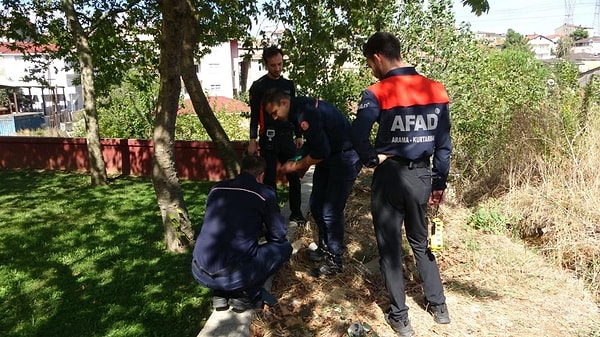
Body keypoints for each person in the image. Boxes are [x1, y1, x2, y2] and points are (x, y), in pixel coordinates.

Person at [351, 32, 452, 337]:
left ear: (378, 57)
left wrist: (371, 160)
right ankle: (440, 308)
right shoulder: (436, 89)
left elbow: (356, 136)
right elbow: (444, 146)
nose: (371, 69)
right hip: (422, 177)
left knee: (391, 250)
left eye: (370, 63)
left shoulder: (376, 92)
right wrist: (439, 183)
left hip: (390, 179)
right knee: (421, 243)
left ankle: (400, 318)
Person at [262, 88, 362, 277]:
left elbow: (320, 151)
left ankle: (334, 261)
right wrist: (296, 158)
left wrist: (298, 165)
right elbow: (314, 142)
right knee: (316, 205)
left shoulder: (305, 113)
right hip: (330, 157)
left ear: (284, 103)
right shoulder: (298, 109)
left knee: (330, 211)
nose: (274, 118)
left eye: (274, 113)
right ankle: (324, 249)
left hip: (344, 158)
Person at [191, 155, 292, 312]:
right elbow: (278, 234)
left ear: (241, 170)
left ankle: (220, 294)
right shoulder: (264, 194)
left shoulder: (216, 189)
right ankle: (244, 293)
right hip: (234, 276)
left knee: (232, 254)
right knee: (284, 248)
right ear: (261, 175)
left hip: (199, 271)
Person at [247, 46, 305, 223]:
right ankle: (272, 217)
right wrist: (252, 139)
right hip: (268, 138)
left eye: (280, 64)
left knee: (294, 176)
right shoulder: (258, 87)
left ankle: (296, 213)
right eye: (273, 65)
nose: (278, 68)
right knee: (269, 179)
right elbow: (255, 114)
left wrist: (299, 134)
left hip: (287, 136)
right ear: (266, 64)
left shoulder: (288, 85)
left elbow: (294, 111)